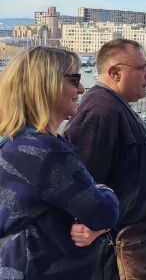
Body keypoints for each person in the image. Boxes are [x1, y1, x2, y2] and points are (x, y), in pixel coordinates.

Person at [0, 46, 119, 279]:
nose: (82, 88)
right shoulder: (45, 153)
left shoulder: (13, 140)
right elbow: (103, 212)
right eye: (75, 80)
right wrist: (105, 190)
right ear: (47, 86)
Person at [64, 39, 146, 280]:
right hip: (116, 256)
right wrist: (98, 226)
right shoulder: (99, 111)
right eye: (141, 68)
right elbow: (79, 186)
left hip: (137, 247)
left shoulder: (114, 106)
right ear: (115, 72)